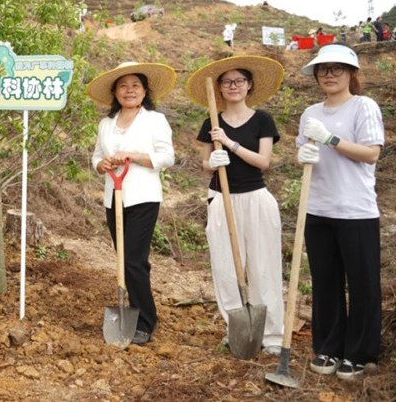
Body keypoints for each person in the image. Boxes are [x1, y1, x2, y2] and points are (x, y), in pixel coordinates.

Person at [185, 56, 285, 356]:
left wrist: (230, 144)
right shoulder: (211, 122)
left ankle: (271, 336)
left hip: (255, 199)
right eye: (227, 82)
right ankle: (238, 330)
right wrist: (211, 163)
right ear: (219, 88)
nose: (233, 86)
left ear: (249, 85)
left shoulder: (262, 119)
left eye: (239, 81)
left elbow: (264, 162)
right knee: (226, 269)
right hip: (222, 200)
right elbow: (205, 165)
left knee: (263, 267)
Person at [295, 44, 384, 380]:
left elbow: (371, 154)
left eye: (337, 68)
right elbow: (302, 152)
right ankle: (329, 345)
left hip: (355, 209)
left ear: (351, 74)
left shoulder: (363, 106)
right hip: (317, 208)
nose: (329, 74)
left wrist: (331, 139)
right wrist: (303, 154)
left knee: (362, 283)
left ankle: (359, 352)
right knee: (326, 281)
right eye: (323, 69)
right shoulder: (310, 112)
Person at [86, 61, 177, 345]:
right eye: (123, 86)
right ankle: (132, 311)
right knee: (124, 258)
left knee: (134, 261)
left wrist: (133, 156)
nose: (129, 91)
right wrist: (102, 164)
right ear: (115, 92)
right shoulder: (106, 124)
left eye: (135, 85)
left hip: (143, 197)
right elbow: (97, 155)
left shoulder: (154, 120)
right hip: (114, 197)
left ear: (145, 90)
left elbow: (167, 157)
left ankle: (146, 320)